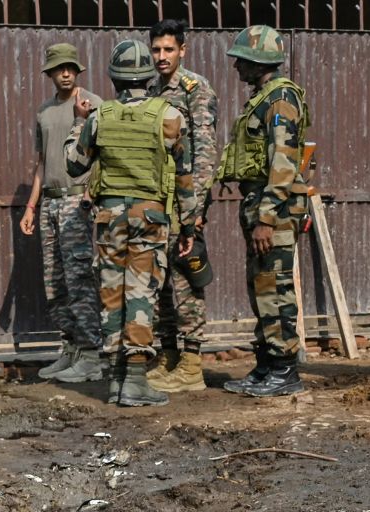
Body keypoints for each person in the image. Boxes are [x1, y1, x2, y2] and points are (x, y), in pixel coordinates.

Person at [65, 40, 198, 407]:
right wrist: (189, 226)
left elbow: (75, 166)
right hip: (151, 217)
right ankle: (135, 380)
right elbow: (184, 178)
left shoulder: (99, 117)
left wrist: (78, 121)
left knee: (112, 292)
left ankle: (116, 381)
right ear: (148, 74)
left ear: (114, 77)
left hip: (109, 219)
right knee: (141, 293)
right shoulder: (170, 117)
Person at [216, 26, 311, 398]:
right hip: (260, 204)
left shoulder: (281, 98)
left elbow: (284, 163)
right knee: (262, 287)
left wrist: (267, 218)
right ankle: (267, 364)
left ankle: (284, 369)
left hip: (275, 210)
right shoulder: (264, 97)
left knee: (276, 288)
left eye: (242, 58)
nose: (236, 65)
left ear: (259, 61)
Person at [20, 43, 105, 384]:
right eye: (59, 68)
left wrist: (90, 194)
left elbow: (102, 157)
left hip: (77, 201)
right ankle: (70, 348)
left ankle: (91, 353)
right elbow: (41, 164)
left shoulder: (92, 105)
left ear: (78, 70)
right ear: (50, 73)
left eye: (71, 67)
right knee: (54, 280)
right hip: (49, 202)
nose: (66, 73)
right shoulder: (44, 112)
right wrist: (30, 205)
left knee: (79, 278)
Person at [145, 19, 219, 394]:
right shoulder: (149, 89)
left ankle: (192, 365)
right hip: (157, 200)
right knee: (158, 282)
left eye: (168, 49)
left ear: (182, 50)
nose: (161, 56)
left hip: (185, 201)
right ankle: (169, 355)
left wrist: (195, 214)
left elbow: (206, 154)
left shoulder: (195, 89)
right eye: (156, 49)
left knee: (186, 280)